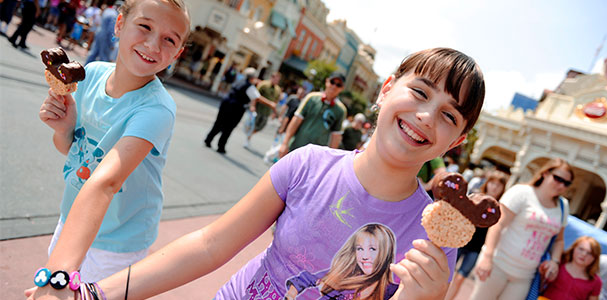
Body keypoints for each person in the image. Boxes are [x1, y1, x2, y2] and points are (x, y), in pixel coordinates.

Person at [31, 47, 486, 300]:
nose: (426, 116)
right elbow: (210, 245)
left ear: (458, 141)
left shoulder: (434, 247)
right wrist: (90, 295)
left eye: (449, 116)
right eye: (420, 91)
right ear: (387, 90)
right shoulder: (307, 164)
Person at [24, 0, 190, 298]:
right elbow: (72, 152)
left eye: (169, 39)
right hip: (73, 217)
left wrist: (57, 276)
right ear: (119, 24)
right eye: (145, 26)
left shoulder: (157, 109)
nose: (153, 44)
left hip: (119, 240)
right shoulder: (91, 75)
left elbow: (107, 181)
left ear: (177, 54)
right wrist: (64, 129)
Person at [471, 158, 574, 300]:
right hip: (497, 265)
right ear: (545, 173)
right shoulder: (522, 192)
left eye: (566, 183)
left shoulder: (563, 206)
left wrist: (555, 261)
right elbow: (498, 225)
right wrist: (487, 258)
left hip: (525, 275)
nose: (561, 185)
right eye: (557, 178)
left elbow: (559, 240)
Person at [284, 223, 398, 299]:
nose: (364, 256)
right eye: (360, 249)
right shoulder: (344, 275)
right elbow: (305, 278)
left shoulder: (393, 292)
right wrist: (290, 295)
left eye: (372, 249)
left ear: (385, 252)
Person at [444, 170, 508, 300]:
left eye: (498, 185)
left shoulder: (500, 208)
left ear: (502, 188)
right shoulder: (476, 196)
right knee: (446, 273)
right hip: (461, 241)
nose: (494, 187)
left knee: (461, 277)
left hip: (477, 248)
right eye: (492, 183)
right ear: (487, 183)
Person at [203, 67, 277, 154]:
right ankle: (221, 146)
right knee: (229, 127)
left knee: (219, 123)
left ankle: (208, 139)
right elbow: (258, 97)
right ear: (252, 78)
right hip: (236, 108)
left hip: (226, 103)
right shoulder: (250, 87)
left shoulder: (240, 81)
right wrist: (271, 104)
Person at [278, 72, 348, 158]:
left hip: (316, 157)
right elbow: (296, 121)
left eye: (338, 85)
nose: (334, 86)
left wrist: (330, 159)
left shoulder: (341, 110)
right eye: (332, 82)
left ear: (342, 88)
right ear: (327, 81)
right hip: (296, 148)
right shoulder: (311, 98)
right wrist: (285, 143)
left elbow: (336, 136)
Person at [541, 236, 602, 300]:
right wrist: (543, 275)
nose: (584, 254)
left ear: (595, 258)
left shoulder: (596, 281)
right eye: (581, 249)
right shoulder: (558, 263)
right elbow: (539, 287)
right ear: (574, 248)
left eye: (589, 253)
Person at [245, 72, 282, 147]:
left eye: (278, 80)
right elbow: (255, 96)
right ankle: (248, 137)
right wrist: (253, 106)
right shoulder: (263, 84)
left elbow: (276, 101)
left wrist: (274, 112)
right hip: (259, 109)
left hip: (267, 112)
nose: (276, 81)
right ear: (272, 77)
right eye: (275, 79)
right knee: (253, 125)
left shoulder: (278, 89)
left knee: (260, 127)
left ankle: (249, 135)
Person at [85, 0, 117, 64]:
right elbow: (111, 30)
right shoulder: (114, 14)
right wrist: (112, 43)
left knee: (93, 53)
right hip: (105, 37)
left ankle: (85, 68)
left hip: (98, 33)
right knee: (104, 58)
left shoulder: (106, 11)